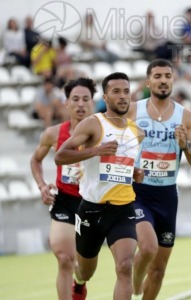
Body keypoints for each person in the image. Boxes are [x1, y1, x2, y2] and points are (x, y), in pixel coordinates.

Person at [54, 72, 144, 300]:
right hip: (91, 210)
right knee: (85, 270)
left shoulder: (136, 132)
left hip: (122, 209)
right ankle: (79, 283)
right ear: (105, 96)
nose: (123, 96)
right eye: (116, 92)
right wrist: (95, 150)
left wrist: (135, 173)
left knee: (125, 266)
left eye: (126, 91)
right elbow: (60, 155)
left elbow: (126, 166)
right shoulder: (93, 124)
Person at [126, 59, 191, 300]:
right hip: (138, 192)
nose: (163, 80)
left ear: (173, 80)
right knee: (147, 247)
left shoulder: (186, 117)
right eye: (157, 76)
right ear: (148, 82)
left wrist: (186, 145)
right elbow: (113, 149)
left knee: (159, 270)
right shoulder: (132, 111)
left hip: (168, 196)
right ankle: (135, 283)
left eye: (167, 76)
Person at [30, 77, 96, 300]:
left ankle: (79, 284)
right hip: (65, 201)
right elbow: (35, 160)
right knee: (65, 259)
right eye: (75, 99)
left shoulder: (105, 132)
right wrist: (41, 185)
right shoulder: (54, 133)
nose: (80, 104)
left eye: (85, 99)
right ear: (66, 103)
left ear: (93, 103)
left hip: (94, 203)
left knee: (83, 267)